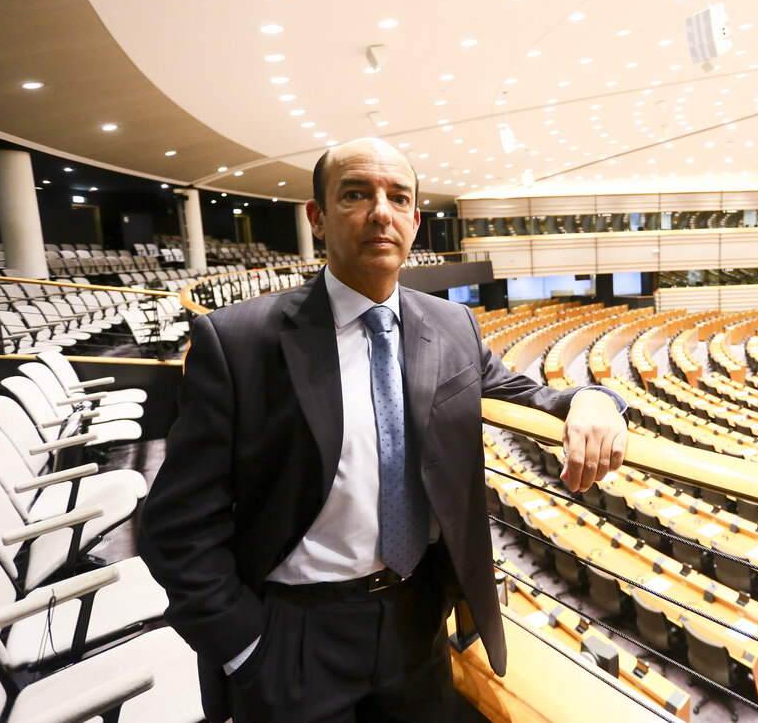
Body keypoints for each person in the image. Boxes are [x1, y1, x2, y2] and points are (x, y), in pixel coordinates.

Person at [138, 137, 628, 722]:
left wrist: (597, 398)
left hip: (417, 621)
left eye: (399, 198)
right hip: (293, 631)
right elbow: (176, 527)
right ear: (317, 219)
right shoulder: (237, 339)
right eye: (356, 194)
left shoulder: (452, 327)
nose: (380, 212)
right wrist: (247, 648)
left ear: (415, 221)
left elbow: (536, 395)